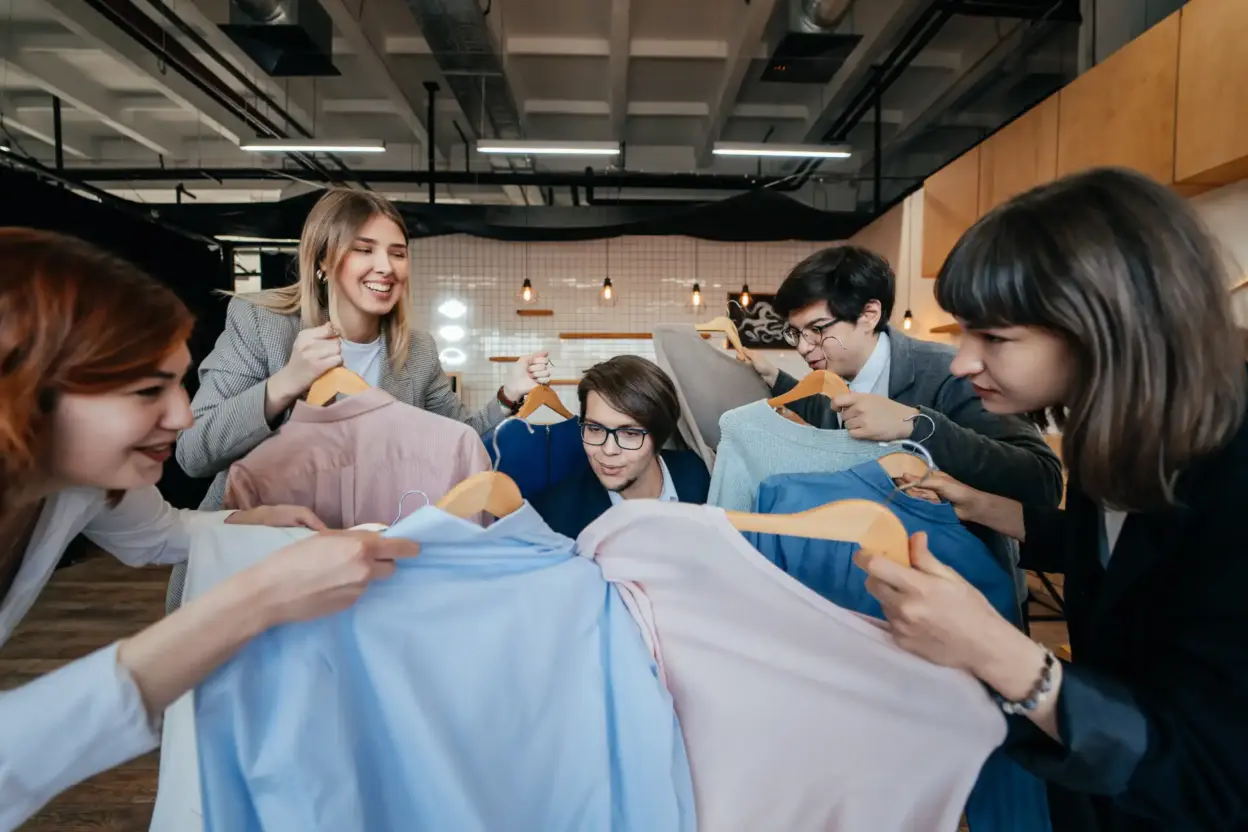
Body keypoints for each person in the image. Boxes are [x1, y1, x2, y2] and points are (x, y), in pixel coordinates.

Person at [855, 167, 1248, 831]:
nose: (961, 364)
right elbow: (1121, 560)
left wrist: (994, 652)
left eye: (996, 339)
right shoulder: (1119, 435)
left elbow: (1210, 776)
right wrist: (972, 502)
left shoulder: (1233, 478)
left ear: (1106, 325)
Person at [0, 229, 422, 830]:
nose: (182, 414)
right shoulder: (263, 331)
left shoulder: (81, 480)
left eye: (177, 383)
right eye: (149, 391)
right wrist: (255, 599)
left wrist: (243, 520)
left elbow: (157, 534)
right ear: (25, 391)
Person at [169, 190, 548, 608]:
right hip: (254, 567)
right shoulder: (261, 324)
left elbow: (457, 442)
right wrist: (285, 383)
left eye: (398, 253)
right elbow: (193, 452)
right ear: (323, 260)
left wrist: (508, 394)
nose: (385, 267)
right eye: (363, 250)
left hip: (365, 578)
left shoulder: (416, 350)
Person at [744, 244, 1062, 507]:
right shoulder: (838, 375)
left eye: (817, 329)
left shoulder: (948, 374)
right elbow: (828, 416)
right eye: (796, 333)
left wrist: (914, 425)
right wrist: (776, 378)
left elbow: (1042, 480)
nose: (803, 346)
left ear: (869, 315)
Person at [530, 356, 710, 538]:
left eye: (629, 434)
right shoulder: (551, 517)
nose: (608, 450)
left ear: (659, 435)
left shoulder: (704, 476)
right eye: (594, 429)